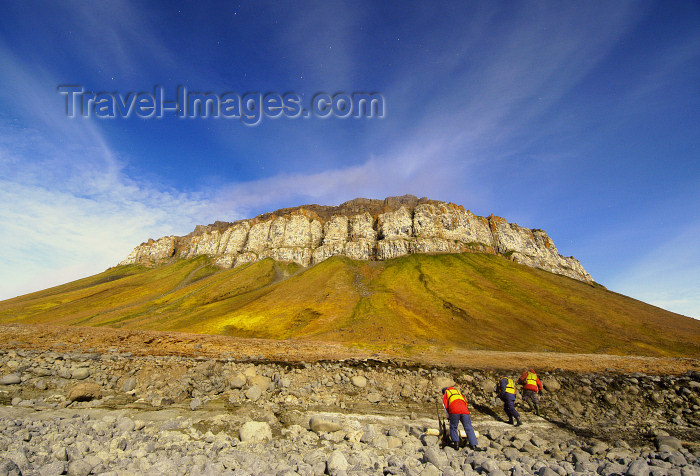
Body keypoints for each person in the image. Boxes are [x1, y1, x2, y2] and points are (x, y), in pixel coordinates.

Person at [441, 386, 482, 451]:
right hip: (465, 411)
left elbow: (445, 406)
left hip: (454, 411)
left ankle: (456, 444)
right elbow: (465, 402)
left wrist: (449, 416)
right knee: (468, 427)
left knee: (453, 427)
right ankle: (474, 445)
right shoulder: (458, 392)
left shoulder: (446, 394)